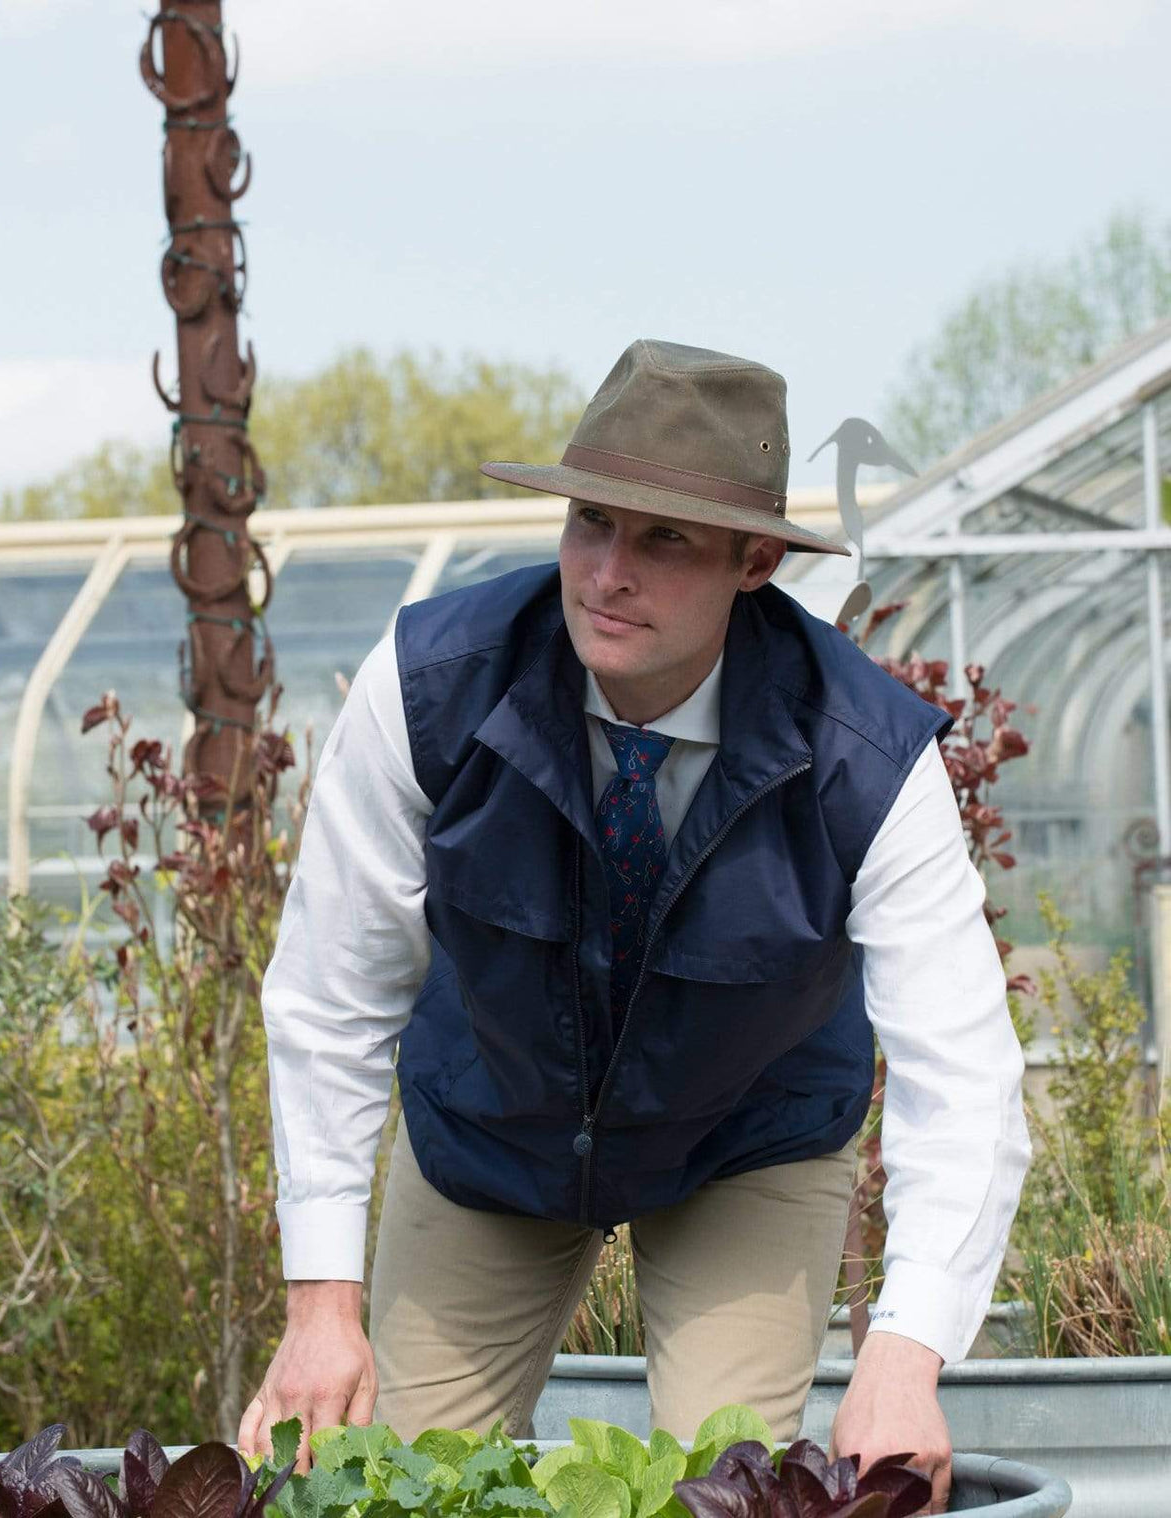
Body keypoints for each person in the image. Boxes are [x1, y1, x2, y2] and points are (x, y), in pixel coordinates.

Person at [238, 339, 1030, 1513]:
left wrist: (903, 1358)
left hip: (745, 1138)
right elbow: (329, 997)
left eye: (664, 540)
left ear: (754, 561)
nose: (607, 572)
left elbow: (960, 1073)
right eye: (591, 524)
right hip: (489, 1129)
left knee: (717, 1494)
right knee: (388, 1490)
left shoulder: (866, 760)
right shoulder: (426, 689)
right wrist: (319, 1306)